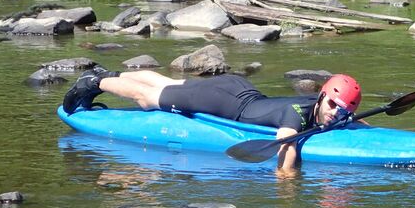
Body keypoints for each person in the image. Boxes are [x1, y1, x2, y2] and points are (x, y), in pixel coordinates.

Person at [62, 69, 362, 171]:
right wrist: (286, 184)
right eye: (334, 105)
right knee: (147, 98)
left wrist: (356, 122)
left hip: (240, 89)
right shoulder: (295, 114)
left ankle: (110, 74)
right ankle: (94, 83)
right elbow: (286, 147)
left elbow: (349, 121)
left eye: (344, 111)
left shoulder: (322, 106)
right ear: (322, 96)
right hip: (224, 102)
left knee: (167, 83)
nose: (337, 114)